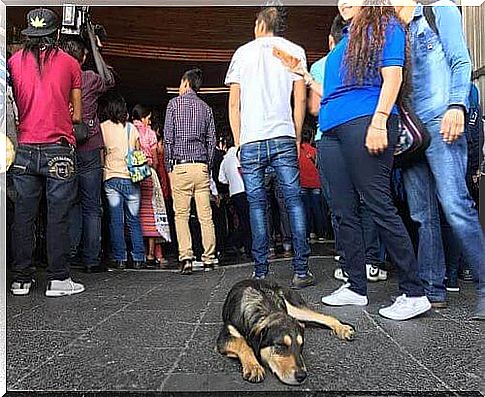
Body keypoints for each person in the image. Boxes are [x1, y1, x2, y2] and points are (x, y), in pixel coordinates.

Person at [303, 2, 431, 320]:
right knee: (342, 211)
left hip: (366, 120)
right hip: (331, 129)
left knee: (378, 205)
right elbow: (335, 92)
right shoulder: (345, 40)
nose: (345, 2)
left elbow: (392, 78)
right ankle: (355, 286)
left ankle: (414, 292)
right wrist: (306, 78)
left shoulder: (384, 26)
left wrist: (379, 121)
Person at [394, 0, 484, 318]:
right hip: (411, 134)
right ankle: (433, 288)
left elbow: (461, 61)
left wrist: (457, 105)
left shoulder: (439, 10)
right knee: (422, 215)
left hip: (440, 120)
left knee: (456, 206)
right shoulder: (393, 30)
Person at [225, 6, 314, 288]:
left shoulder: (242, 53)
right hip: (283, 136)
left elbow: (233, 104)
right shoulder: (295, 51)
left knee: (256, 205)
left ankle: (261, 271)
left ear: (260, 24)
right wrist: (297, 136)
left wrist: (238, 142)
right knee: (293, 201)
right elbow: (300, 101)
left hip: (251, 140)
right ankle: (301, 271)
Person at [8, 8, 85, 297]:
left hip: (24, 148)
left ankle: (21, 280)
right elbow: (77, 115)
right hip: (59, 149)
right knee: (58, 215)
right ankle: (58, 279)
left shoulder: (14, 62)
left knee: (24, 216)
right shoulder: (70, 63)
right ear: (55, 34)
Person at [60, 37, 115, 274]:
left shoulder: (57, 79)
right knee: (92, 206)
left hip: (65, 148)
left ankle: (70, 254)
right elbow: (110, 79)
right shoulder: (90, 79)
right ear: (83, 57)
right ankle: (91, 259)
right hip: (90, 148)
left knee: (71, 204)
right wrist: (96, 48)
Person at [164, 68, 217, 275]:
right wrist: (208, 165)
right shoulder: (206, 108)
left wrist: (169, 167)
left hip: (181, 166)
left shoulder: (174, 105)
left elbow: (168, 138)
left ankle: (186, 257)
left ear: (186, 83)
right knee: (206, 216)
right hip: (201, 166)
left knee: (181, 215)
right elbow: (211, 141)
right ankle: (209, 258)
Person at [100, 93, 146, 270]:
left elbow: (101, 154)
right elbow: (137, 152)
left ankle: (120, 258)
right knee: (134, 220)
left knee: (116, 221)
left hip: (111, 177)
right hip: (130, 179)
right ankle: (138, 258)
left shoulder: (102, 127)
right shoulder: (131, 129)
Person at [132, 104, 171, 267]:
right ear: (143, 117)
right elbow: (155, 160)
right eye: (148, 118)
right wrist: (152, 171)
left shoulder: (129, 130)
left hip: (133, 176)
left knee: (137, 215)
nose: (149, 121)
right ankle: (153, 254)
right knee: (154, 215)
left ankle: (138, 253)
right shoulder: (150, 134)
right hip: (148, 175)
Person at [218, 140, 252, 260]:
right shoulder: (241, 153)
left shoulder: (225, 160)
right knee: (249, 221)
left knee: (242, 220)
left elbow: (221, 179)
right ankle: (240, 244)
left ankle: (239, 244)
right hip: (245, 190)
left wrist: (230, 181)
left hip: (234, 193)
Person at [299, 126, 327, 241]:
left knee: (305, 210)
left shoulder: (297, 151)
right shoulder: (315, 151)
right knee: (317, 209)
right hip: (315, 183)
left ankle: (307, 233)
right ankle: (321, 233)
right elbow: (319, 166)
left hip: (302, 183)